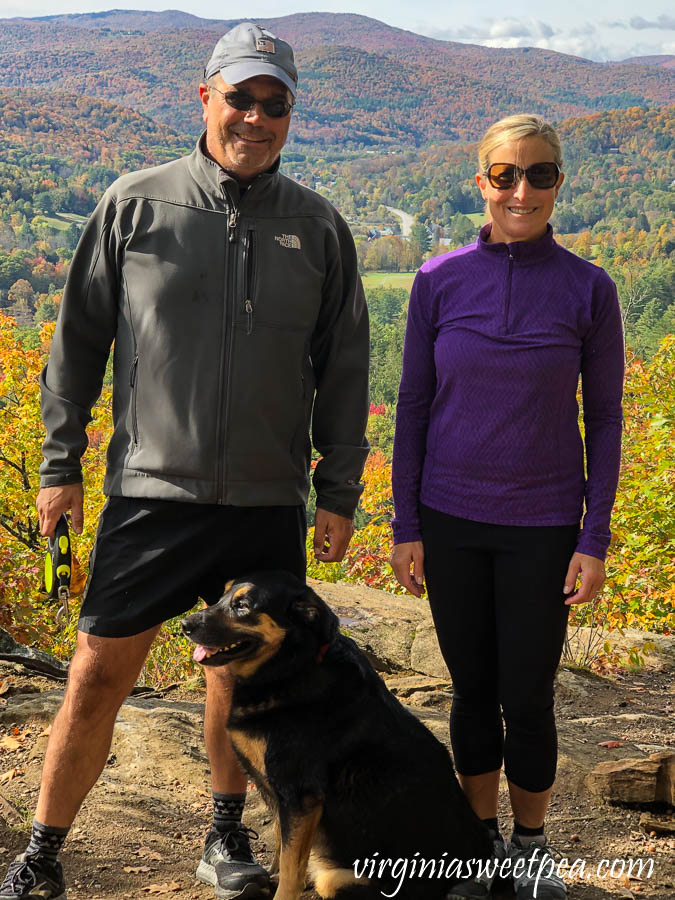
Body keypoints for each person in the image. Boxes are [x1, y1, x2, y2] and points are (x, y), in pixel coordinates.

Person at [0, 22, 369, 900]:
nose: (255, 117)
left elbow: (345, 368)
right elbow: (76, 347)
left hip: (264, 498)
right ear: (205, 97)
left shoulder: (317, 226)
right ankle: (44, 855)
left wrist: (339, 488)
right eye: (239, 97)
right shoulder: (136, 203)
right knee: (93, 677)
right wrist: (60, 466)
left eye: (273, 103)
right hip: (150, 493)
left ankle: (223, 837)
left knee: (236, 678)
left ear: (290, 114)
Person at [390, 114, 624, 900]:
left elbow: (607, 419)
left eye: (540, 174)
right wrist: (405, 526)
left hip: (544, 525)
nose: (521, 190)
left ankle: (530, 847)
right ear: (480, 181)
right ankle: (474, 845)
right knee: (469, 689)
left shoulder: (589, 288)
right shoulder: (436, 279)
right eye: (505, 175)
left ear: (560, 181)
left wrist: (593, 537)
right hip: (450, 520)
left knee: (525, 694)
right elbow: (412, 406)